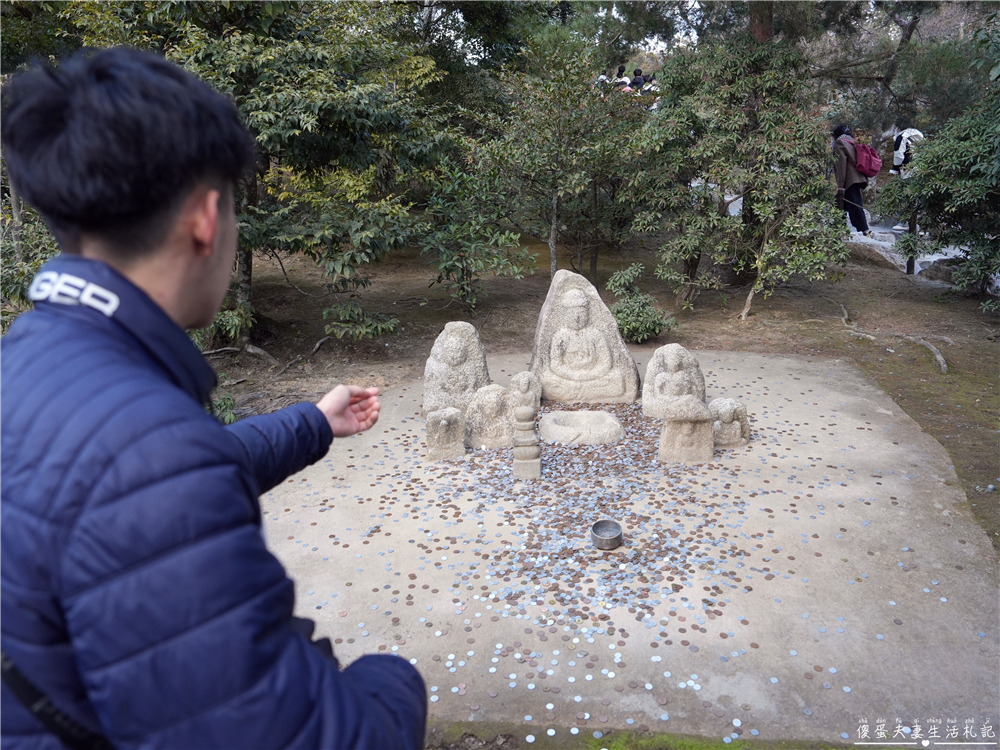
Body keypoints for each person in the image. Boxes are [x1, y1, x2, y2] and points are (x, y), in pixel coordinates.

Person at [0, 48, 427, 749]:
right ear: (205, 217)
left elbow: (117, 482)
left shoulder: (38, 355)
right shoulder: (148, 462)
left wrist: (311, 423)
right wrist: (394, 680)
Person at [832, 123, 872, 237]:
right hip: (858, 177)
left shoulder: (840, 143)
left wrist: (840, 185)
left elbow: (841, 165)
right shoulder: (851, 141)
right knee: (840, 203)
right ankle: (839, 228)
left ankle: (865, 230)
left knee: (854, 204)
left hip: (850, 179)